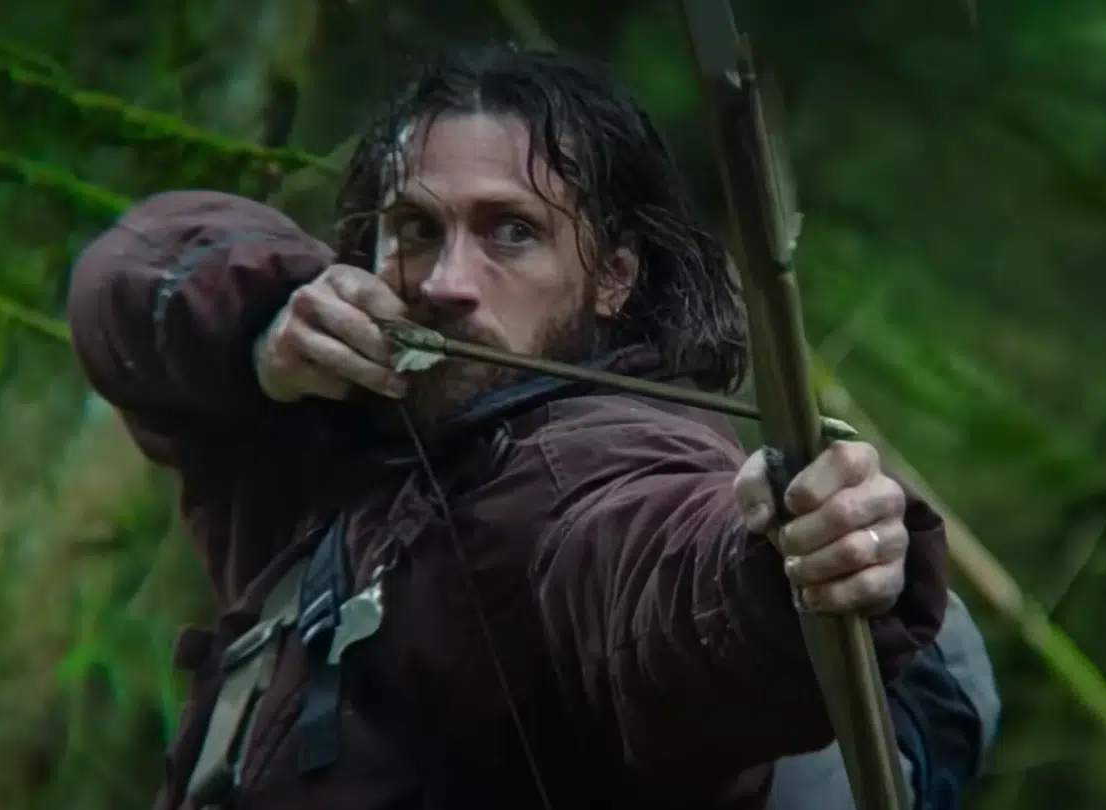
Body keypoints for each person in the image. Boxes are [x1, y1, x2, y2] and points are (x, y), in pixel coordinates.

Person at [67, 43, 997, 810]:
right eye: (415, 228)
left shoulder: (598, 467)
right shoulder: (318, 427)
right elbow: (127, 272)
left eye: (511, 232)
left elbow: (663, 583)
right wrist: (263, 326)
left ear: (613, 276)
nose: (445, 283)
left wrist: (787, 566)